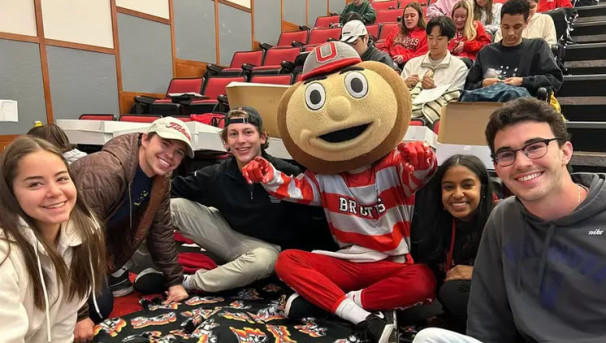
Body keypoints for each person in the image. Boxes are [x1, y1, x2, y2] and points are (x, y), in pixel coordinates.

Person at [413, 97, 606, 343]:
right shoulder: (503, 216)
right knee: (428, 338)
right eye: (506, 154)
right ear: (497, 166)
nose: (522, 163)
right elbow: (487, 314)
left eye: (535, 147)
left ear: (565, 152)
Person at [171, 107, 334, 293]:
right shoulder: (215, 175)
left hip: (273, 253)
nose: (241, 140)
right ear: (226, 142)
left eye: (248, 132)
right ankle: (142, 266)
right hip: (232, 240)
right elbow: (170, 189)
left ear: (262, 138)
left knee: (264, 259)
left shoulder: (288, 173)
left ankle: (187, 283)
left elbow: (316, 225)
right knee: (170, 206)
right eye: (233, 134)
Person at [70, 116, 191, 341]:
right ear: (145, 139)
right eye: (165, 144)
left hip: (99, 248)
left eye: (179, 152)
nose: (170, 156)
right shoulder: (105, 171)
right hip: (58, 253)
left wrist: (174, 281)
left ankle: (109, 273)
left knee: (101, 302)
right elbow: (73, 243)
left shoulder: (161, 178)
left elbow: (161, 231)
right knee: (98, 310)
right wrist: (78, 314)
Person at [0, 136, 106, 342]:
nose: (55, 192)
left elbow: (63, 323)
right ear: (10, 194)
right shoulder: (5, 254)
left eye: (61, 178)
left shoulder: (85, 233)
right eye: (35, 184)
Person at [410, 154, 495, 333]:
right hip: (454, 308)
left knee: (453, 291)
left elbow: (524, 275)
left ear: (483, 189)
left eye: (467, 185)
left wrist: (479, 272)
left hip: (498, 307)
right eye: (449, 187)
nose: (457, 194)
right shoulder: (434, 224)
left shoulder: (501, 221)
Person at [464, 0, 563, 95]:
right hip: (487, 105)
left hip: (525, 108)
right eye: (506, 27)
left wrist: (523, 81)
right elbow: (468, 86)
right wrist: (482, 84)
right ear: (500, 24)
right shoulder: (486, 52)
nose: (511, 33)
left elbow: (555, 79)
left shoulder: (537, 47)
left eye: (517, 27)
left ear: (526, 24)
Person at [401, 16, 469, 124]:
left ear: (449, 40)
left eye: (440, 39)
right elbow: (397, 96)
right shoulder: (412, 64)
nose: (434, 43)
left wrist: (433, 90)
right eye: (430, 38)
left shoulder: (459, 68)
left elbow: (453, 101)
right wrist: (403, 85)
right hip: (406, 118)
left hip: (439, 122)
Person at [380, 2, 428, 67]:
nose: (408, 19)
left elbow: (423, 55)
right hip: (390, 63)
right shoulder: (396, 29)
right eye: (406, 16)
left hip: (411, 65)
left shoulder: (425, 34)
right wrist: (387, 58)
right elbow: (385, 47)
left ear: (419, 17)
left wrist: (404, 58)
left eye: (412, 16)